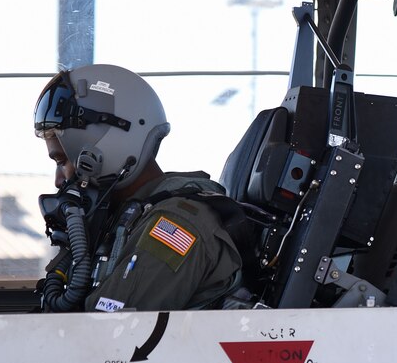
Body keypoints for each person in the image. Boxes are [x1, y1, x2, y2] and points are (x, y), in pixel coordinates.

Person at [33, 64, 243, 312]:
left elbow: (108, 333)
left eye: (61, 161)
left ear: (101, 150)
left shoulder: (176, 224)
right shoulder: (123, 219)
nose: (59, 179)